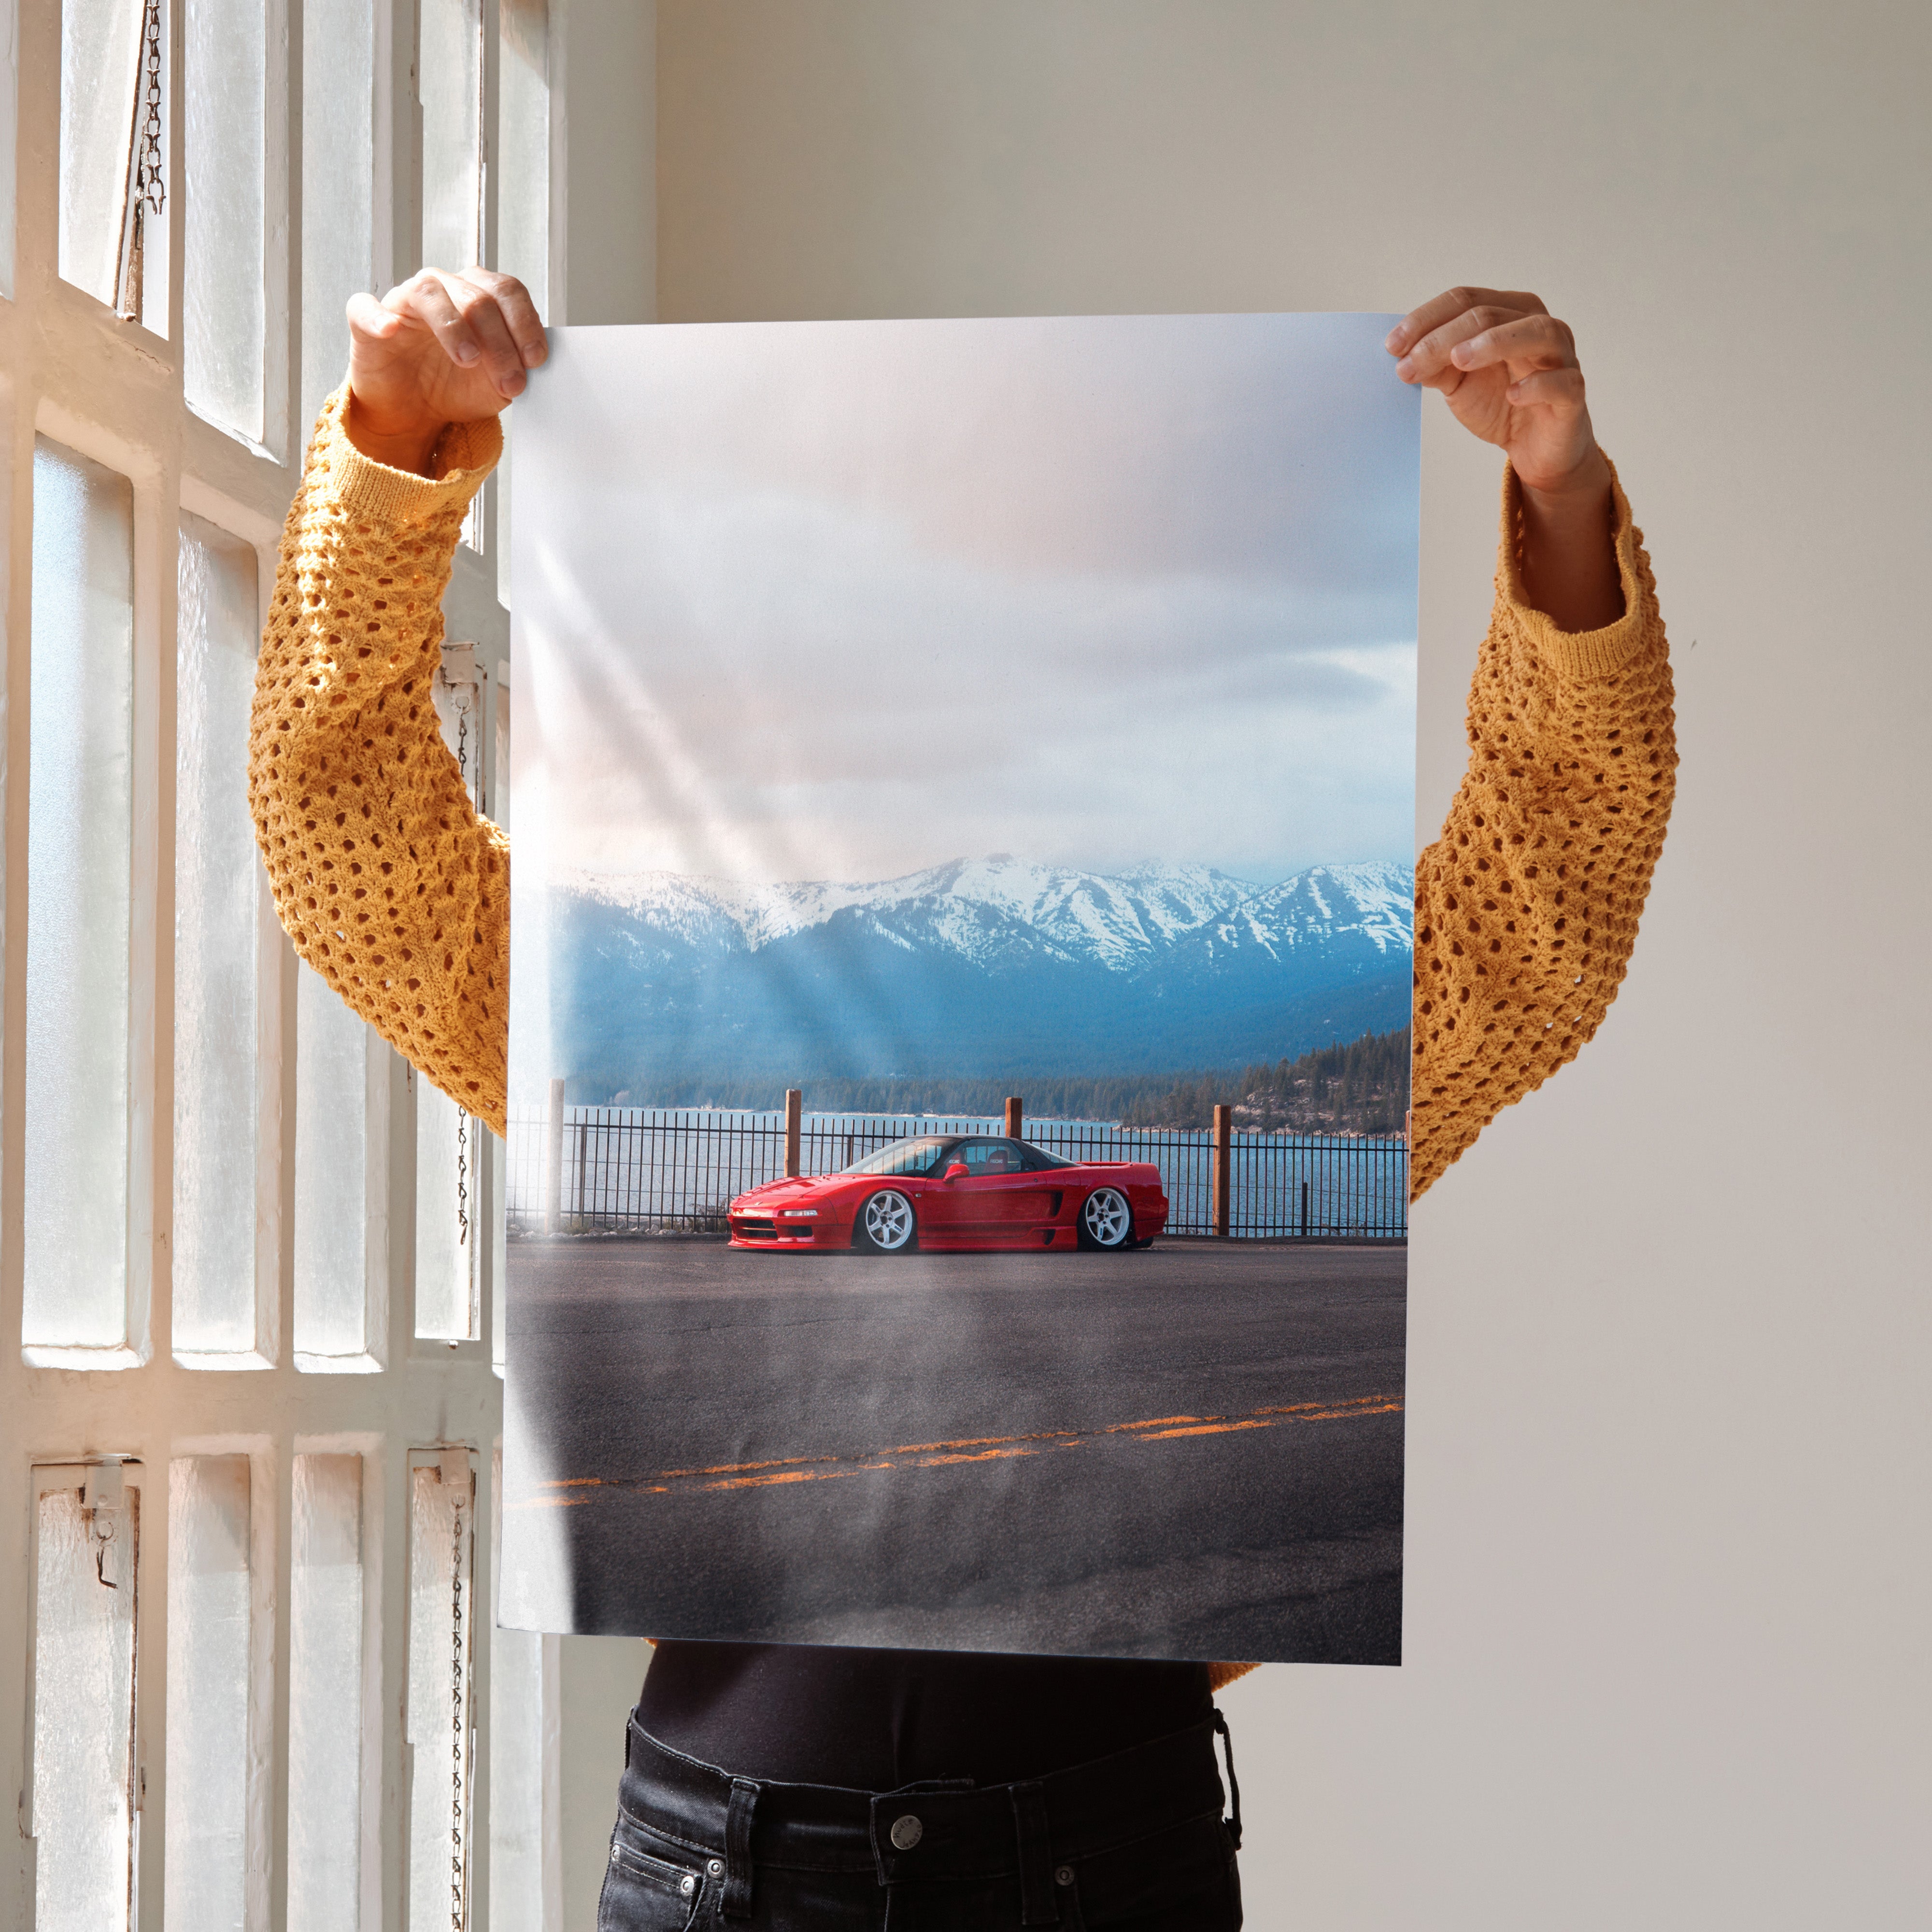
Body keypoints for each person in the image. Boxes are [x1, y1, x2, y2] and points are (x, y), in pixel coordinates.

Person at [249, 272, 1675, 1929]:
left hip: (1097, 1852)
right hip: (732, 1863)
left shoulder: (1199, 1066)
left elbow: (1544, 908)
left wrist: (1561, 498)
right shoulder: (617, 1004)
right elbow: (348, 844)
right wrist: (392, 450)